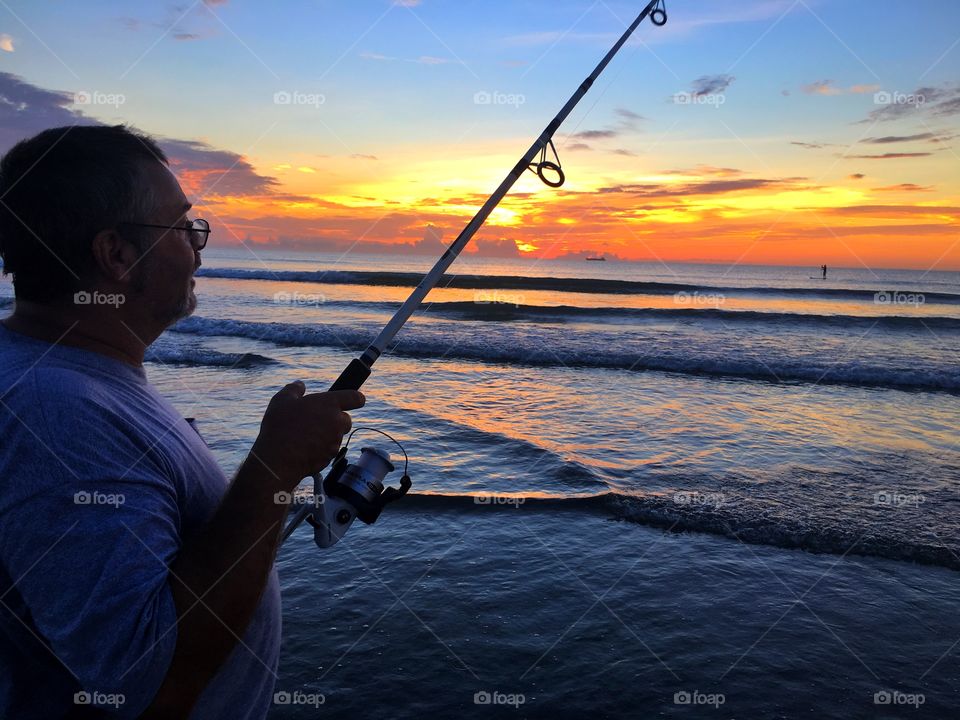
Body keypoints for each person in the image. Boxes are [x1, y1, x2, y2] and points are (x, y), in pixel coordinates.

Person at [0, 125, 364, 719]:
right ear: (115, 254)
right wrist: (275, 466)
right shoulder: (55, 411)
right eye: (182, 227)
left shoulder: (77, 379)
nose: (198, 246)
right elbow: (150, 682)